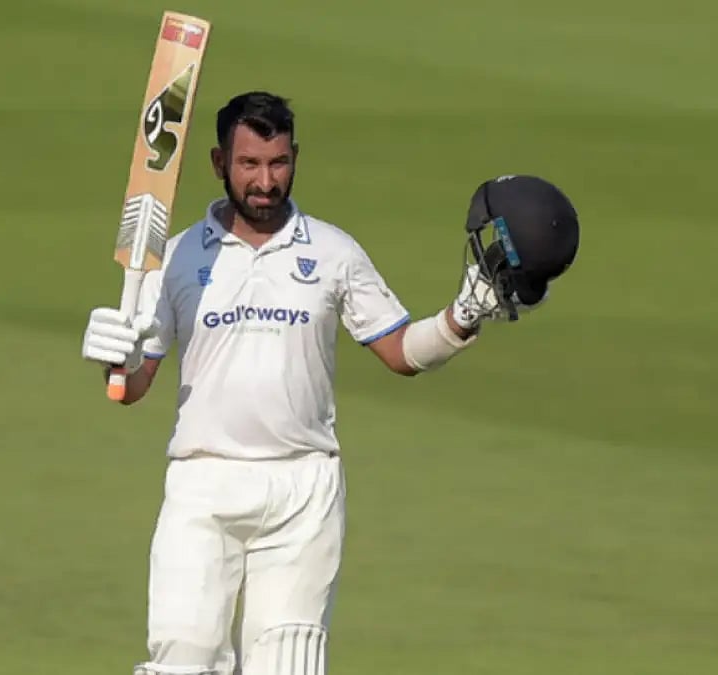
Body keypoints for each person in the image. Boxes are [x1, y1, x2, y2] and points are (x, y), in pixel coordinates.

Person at [82, 91, 579, 675]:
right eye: (249, 165)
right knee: (181, 663)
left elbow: (401, 352)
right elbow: (133, 386)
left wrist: (461, 317)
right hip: (201, 482)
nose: (265, 181)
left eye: (279, 163)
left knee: (288, 666)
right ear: (219, 163)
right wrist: (117, 358)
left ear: (295, 157)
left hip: (302, 490)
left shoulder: (333, 251)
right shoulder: (179, 254)